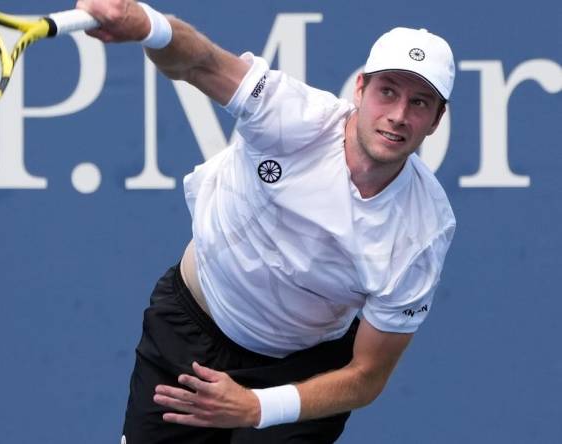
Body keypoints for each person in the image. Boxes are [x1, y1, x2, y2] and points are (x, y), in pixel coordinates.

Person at [77, 1, 457, 442]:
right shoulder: (291, 115)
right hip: (190, 329)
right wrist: (145, 24)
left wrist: (258, 406)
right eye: (387, 92)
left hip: (302, 368)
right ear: (360, 89)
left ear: (436, 120)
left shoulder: (423, 231)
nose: (398, 115)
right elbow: (200, 62)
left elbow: (366, 375)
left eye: (419, 102)